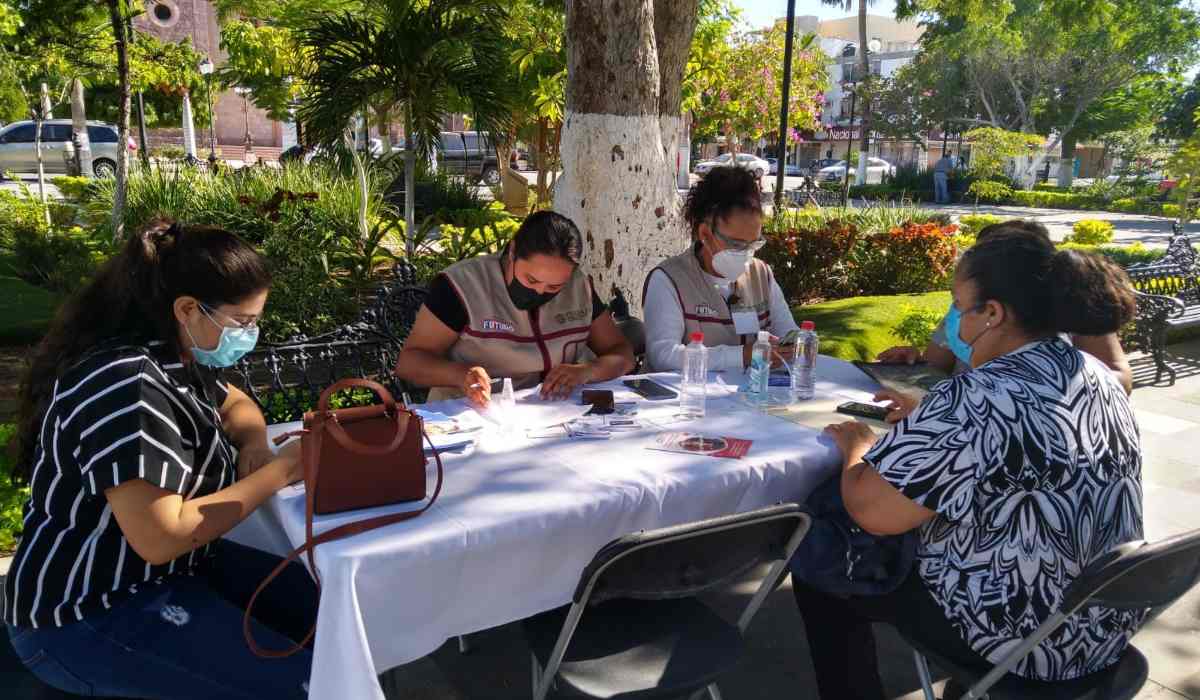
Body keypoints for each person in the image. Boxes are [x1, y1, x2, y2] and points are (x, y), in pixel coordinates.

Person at [796, 230, 1145, 699]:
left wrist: (858, 446)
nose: (955, 323)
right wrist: (930, 417)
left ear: (993, 313)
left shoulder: (975, 395)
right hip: (1101, 627)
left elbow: (872, 512)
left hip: (1022, 643)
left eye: (960, 307)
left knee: (823, 552)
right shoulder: (1096, 374)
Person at [3, 221, 314, 699]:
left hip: (174, 571)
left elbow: (236, 404)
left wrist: (254, 443)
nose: (250, 334)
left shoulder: (175, 357)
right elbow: (162, 536)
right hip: (88, 610)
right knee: (308, 685)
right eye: (242, 322)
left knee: (329, 614)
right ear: (187, 309)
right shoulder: (129, 387)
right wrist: (285, 468)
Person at [876, 220, 1133, 413]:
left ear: (992, 312)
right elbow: (937, 372)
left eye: (960, 302)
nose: (957, 313)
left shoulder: (985, 400)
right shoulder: (1096, 381)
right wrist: (918, 373)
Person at [396, 210, 635, 406]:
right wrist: (461, 375)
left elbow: (622, 354)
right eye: (531, 280)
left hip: (556, 417)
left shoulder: (578, 287)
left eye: (554, 286)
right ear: (512, 252)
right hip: (471, 415)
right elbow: (409, 363)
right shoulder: (462, 285)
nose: (540, 292)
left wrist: (587, 371)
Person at [643, 165, 799, 372]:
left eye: (753, 244)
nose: (746, 253)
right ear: (705, 234)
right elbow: (663, 355)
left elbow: (789, 333)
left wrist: (790, 346)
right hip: (688, 392)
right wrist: (743, 356)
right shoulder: (669, 279)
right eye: (736, 244)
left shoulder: (761, 274)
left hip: (751, 390)